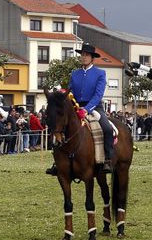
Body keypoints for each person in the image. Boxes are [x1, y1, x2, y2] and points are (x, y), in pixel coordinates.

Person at [46, 43, 113, 175]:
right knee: (60, 128)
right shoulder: (75, 74)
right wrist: (64, 92)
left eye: (86, 55)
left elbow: (98, 94)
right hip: (75, 106)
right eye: (82, 54)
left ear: (92, 58)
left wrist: (87, 109)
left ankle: (108, 160)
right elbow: (70, 91)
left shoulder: (100, 73)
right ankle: (57, 162)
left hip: (94, 106)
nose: (83, 57)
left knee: (107, 128)